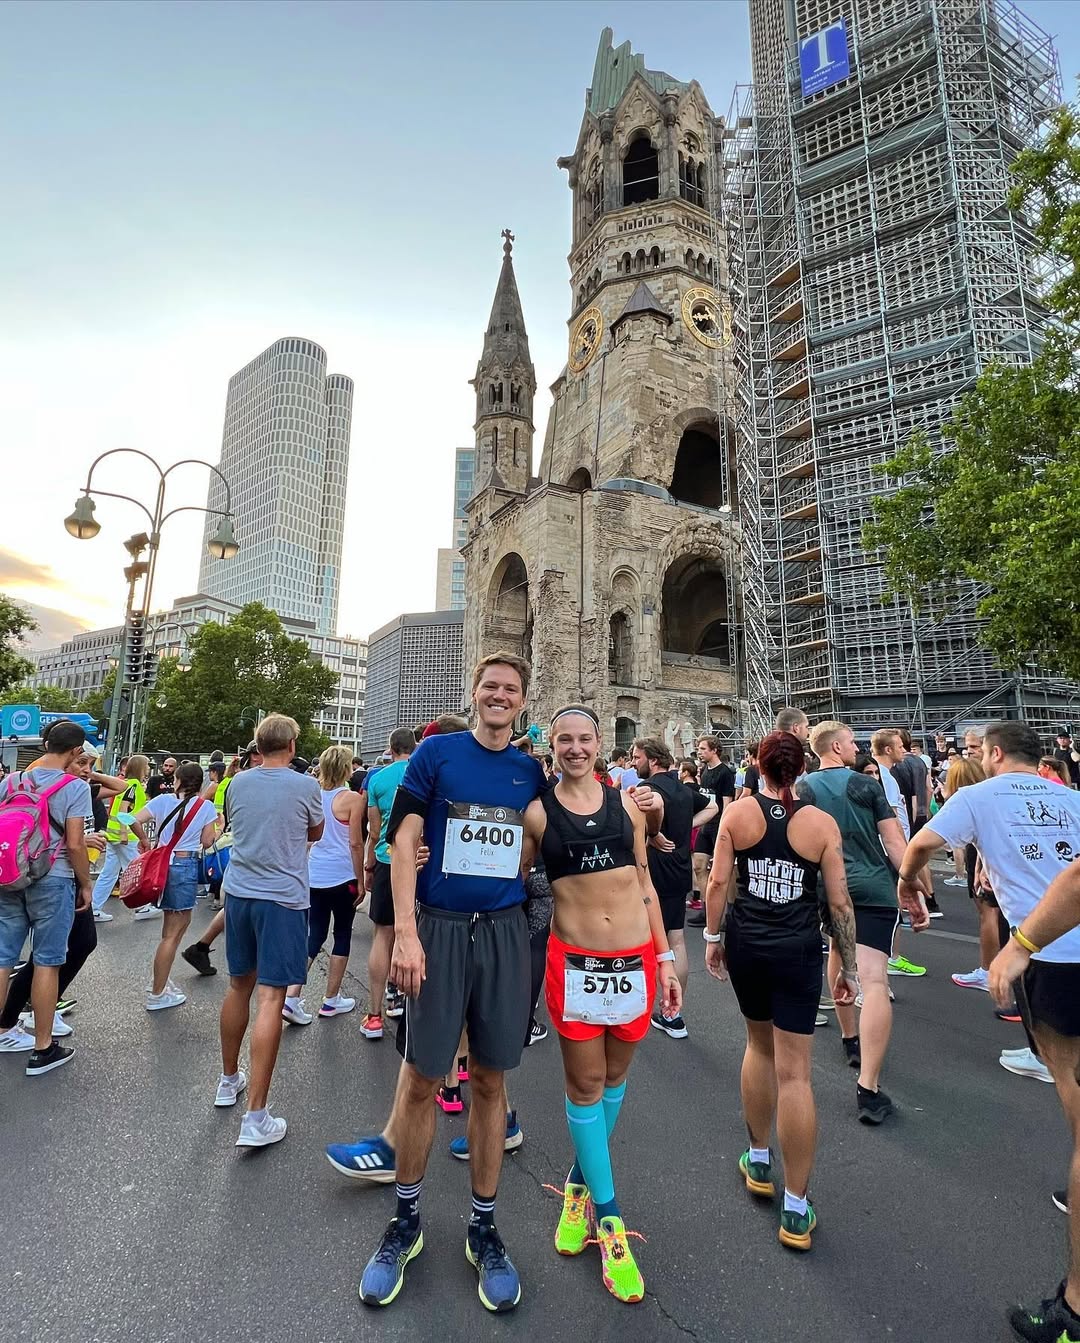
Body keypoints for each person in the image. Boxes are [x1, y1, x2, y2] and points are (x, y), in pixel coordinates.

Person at [327, 653, 545, 1314]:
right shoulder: (437, 754)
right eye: (490, 686)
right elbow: (405, 836)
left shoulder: (529, 768)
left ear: (521, 701)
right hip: (441, 928)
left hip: (504, 931)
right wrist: (410, 933)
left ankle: (484, 1226)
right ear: (473, 693)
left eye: (510, 688)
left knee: (489, 1080)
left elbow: (546, 838)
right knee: (423, 1077)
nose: (499, 695)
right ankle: (406, 1220)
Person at [904, 724, 1080, 1343]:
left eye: (981, 752)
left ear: (995, 754)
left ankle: (1074, 1312)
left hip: (1056, 963)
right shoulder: (1073, 796)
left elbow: (918, 847)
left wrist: (909, 884)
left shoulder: (979, 796)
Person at [518, 705, 678, 1302]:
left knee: (614, 1082)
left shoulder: (628, 804)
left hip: (635, 961)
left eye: (586, 738)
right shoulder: (537, 813)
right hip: (577, 965)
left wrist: (665, 960)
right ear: (552, 745)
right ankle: (610, 1226)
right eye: (566, 740)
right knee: (585, 1087)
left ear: (598, 742)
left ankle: (578, 1186)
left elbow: (644, 883)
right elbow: (512, 876)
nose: (577, 748)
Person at [704, 731, 858, 1250]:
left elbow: (719, 884)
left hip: (749, 942)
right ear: (802, 769)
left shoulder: (739, 814)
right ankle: (795, 1207)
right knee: (797, 1074)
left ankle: (759, 1159)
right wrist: (851, 968)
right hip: (797, 949)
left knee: (757, 1046)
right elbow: (839, 903)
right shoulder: (819, 824)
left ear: (758, 766)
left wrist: (711, 936)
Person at [796, 721, 929, 1124]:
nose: (856, 747)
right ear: (836, 746)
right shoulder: (866, 786)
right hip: (872, 887)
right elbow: (894, 843)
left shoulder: (803, 790)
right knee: (874, 980)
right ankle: (868, 1088)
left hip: (827, 887)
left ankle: (850, 1038)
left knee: (839, 949)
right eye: (853, 742)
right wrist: (915, 885)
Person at [213, 714, 323, 1146]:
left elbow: (233, 821)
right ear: (292, 745)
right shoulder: (305, 786)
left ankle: (227, 1080)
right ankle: (255, 1115)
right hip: (283, 897)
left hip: (239, 891)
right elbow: (315, 830)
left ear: (257, 745)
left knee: (238, 986)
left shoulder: (238, 782)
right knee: (271, 997)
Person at [0, 743, 115, 1051]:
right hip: (55, 875)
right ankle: (41, 1044)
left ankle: (4, 1028)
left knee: (4, 958)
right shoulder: (73, 787)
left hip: (11, 872)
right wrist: (86, 883)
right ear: (72, 752)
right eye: (82, 760)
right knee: (48, 960)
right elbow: (75, 844)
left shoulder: (11, 782)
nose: (86, 767)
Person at [630, 736, 717, 1040]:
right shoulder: (684, 787)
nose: (632, 762)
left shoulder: (650, 789)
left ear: (652, 760)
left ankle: (638, 1010)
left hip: (655, 869)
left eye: (637, 757)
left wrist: (654, 832)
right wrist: (688, 826)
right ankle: (673, 1013)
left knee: (645, 942)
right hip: (679, 865)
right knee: (675, 939)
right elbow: (714, 807)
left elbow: (654, 807)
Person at [279, 744, 366, 1023]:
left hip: (314, 873)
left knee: (314, 934)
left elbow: (306, 836)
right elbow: (355, 842)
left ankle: (292, 997)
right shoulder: (351, 799)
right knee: (342, 934)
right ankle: (331, 999)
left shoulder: (312, 794)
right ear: (346, 768)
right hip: (342, 875)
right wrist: (361, 879)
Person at [130, 763, 219, 1011]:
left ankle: (160, 980)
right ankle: (157, 993)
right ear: (199, 782)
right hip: (184, 864)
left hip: (161, 864)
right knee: (173, 932)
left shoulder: (161, 801)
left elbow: (132, 819)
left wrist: (144, 839)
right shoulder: (205, 807)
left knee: (172, 928)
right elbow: (207, 840)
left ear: (178, 780)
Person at [360, 727, 417, 1038]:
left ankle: (374, 1014)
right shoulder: (424, 772)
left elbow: (374, 828)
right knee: (416, 933)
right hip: (421, 860)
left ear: (391, 748)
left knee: (383, 935)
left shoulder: (378, 778)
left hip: (387, 859)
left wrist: (368, 864)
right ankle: (411, 1008)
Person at [91, 753, 150, 922]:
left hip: (114, 834)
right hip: (125, 837)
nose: (148, 769)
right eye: (146, 766)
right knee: (135, 870)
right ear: (140, 767)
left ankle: (94, 908)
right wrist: (124, 832)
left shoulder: (127, 784)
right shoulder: (133, 785)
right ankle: (143, 906)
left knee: (109, 872)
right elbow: (124, 810)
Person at [689, 735, 735, 928]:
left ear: (714, 750)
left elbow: (727, 803)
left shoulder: (724, 773)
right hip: (705, 825)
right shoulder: (705, 770)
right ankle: (707, 910)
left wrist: (725, 829)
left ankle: (730, 913)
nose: (699, 752)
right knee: (699, 865)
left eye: (702, 748)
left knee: (724, 871)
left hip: (719, 825)